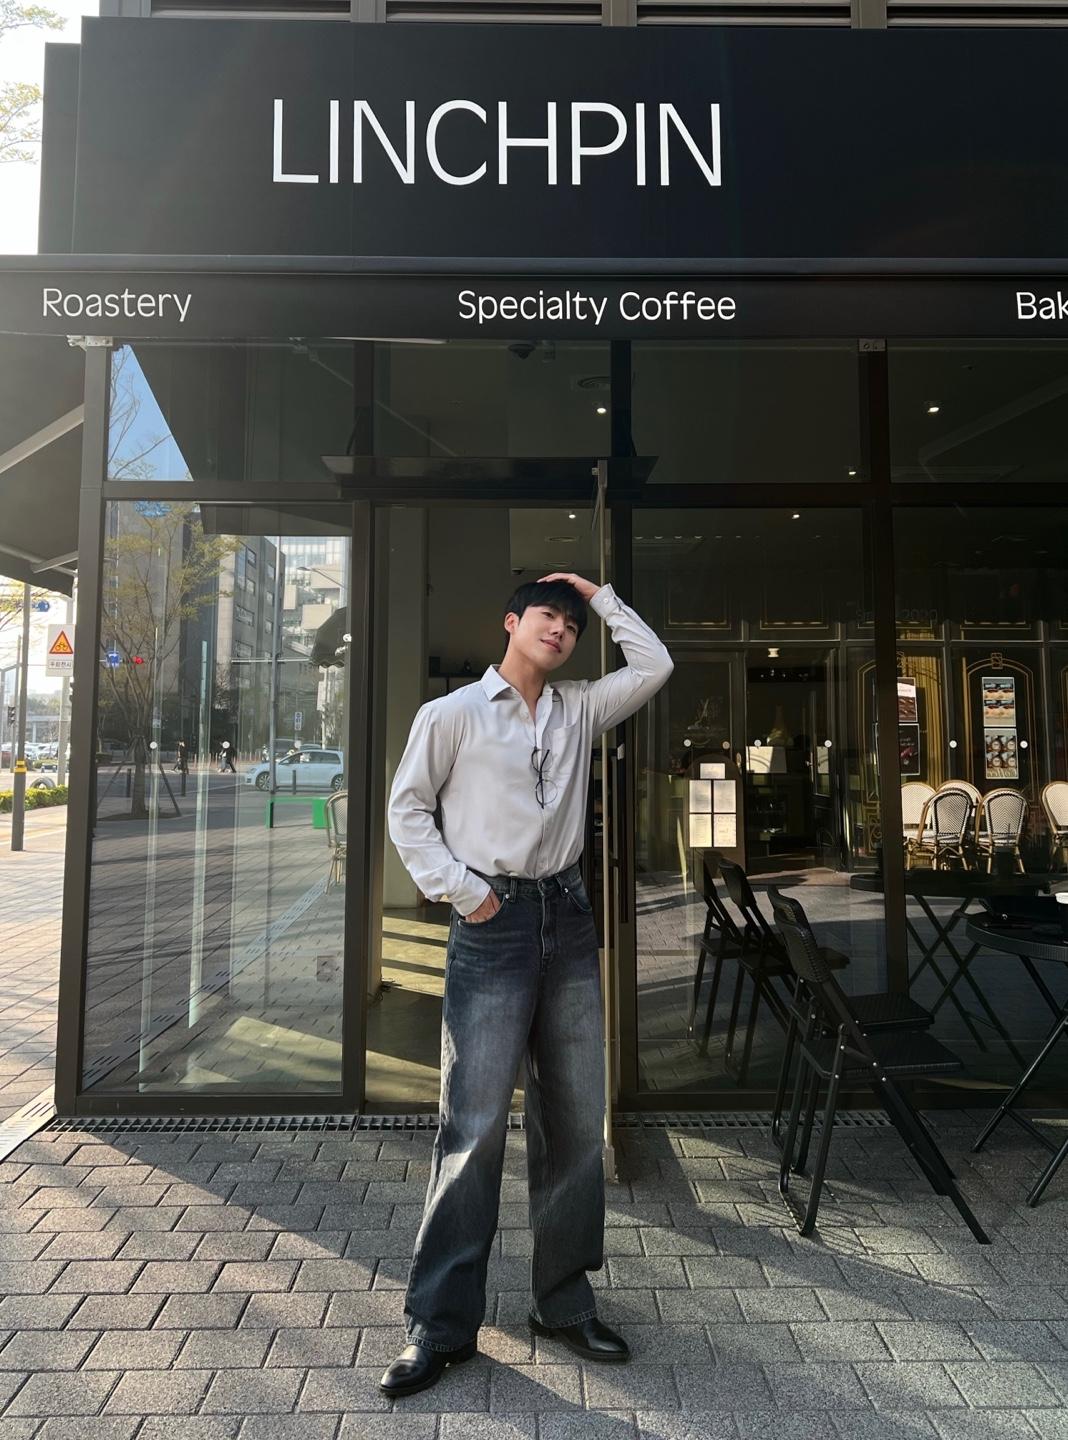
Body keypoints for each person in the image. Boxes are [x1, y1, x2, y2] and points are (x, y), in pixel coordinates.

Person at [381, 571, 673, 1398]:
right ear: (511, 623)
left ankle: (563, 1303)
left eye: (572, 626)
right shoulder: (453, 714)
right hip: (492, 921)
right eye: (549, 615)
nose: (561, 631)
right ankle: (441, 1326)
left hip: (568, 918)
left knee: (575, 1120)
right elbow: (408, 810)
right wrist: (462, 890)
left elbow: (654, 666)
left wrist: (602, 596)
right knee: (472, 1126)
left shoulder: (580, 708)